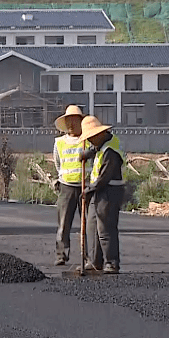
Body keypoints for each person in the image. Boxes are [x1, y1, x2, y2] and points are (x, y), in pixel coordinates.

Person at [77, 115, 125, 274]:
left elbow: (104, 177)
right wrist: (86, 154)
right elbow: (94, 149)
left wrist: (88, 190)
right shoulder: (101, 144)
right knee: (92, 227)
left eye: (91, 138)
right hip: (97, 191)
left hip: (109, 191)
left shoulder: (111, 151)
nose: (90, 141)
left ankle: (111, 263)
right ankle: (94, 261)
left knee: (105, 229)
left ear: (99, 134)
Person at [52, 105, 88, 266]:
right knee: (63, 224)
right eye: (69, 122)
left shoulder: (87, 140)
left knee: (87, 224)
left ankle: (88, 256)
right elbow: (58, 163)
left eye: (74, 121)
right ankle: (61, 254)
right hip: (66, 186)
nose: (71, 125)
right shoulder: (59, 142)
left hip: (86, 186)